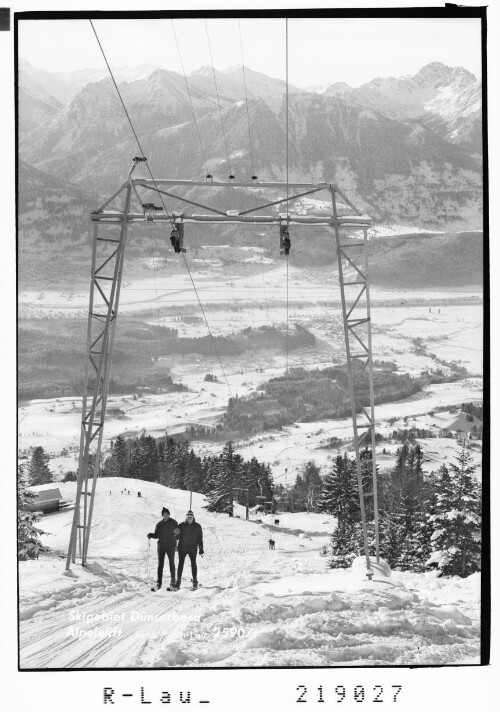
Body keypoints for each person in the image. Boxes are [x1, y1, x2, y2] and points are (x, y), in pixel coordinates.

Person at [147, 507, 179, 591]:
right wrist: (151, 535)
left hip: (170, 546)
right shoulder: (159, 524)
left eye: (167, 514)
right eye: (164, 514)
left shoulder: (174, 522)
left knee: (171, 563)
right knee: (160, 564)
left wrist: (177, 534)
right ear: (162, 515)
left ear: (169, 514)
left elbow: (177, 533)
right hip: (161, 546)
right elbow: (157, 535)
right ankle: (159, 583)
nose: (165, 515)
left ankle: (173, 582)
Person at [175, 510, 204, 589]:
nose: (189, 517)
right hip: (182, 548)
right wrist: (176, 533)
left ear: (193, 517)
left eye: (191, 516)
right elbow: (176, 537)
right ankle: (178, 582)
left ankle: (195, 581)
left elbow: (200, 538)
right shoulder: (181, 525)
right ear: (186, 517)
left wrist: (201, 548)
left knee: (193, 563)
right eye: (188, 516)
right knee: (180, 564)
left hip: (193, 548)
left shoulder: (197, 526)